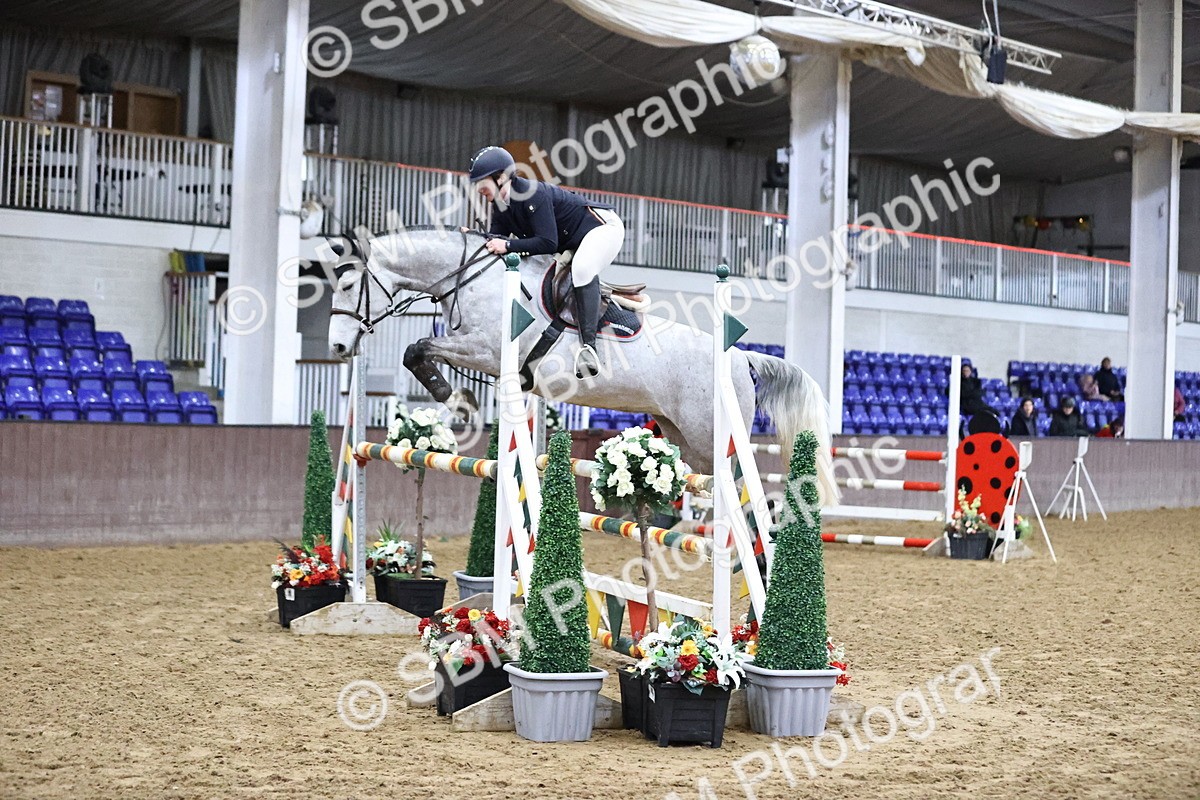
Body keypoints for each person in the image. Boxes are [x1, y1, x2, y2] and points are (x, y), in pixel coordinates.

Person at [468, 145, 625, 378]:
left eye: (483, 181)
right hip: (573, 241)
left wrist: (509, 246)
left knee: (582, 269)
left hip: (602, 228)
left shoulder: (533, 193)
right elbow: (496, 240)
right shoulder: (501, 205)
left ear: (501, 177)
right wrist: (472, 238)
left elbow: (547, 243)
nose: (479, 189)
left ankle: (589, 348)